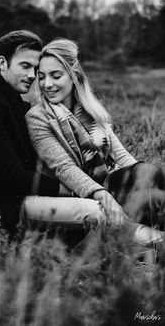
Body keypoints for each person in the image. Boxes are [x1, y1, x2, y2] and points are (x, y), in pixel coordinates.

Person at [0, 30, 107, 238]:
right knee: (94, 211)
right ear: (2, 63)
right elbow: (14, 176)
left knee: (101, 206)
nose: (32, 76)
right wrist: (73, 190)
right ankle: (149, 244)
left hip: (26, 198)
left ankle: (152, 240)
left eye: (35, 69)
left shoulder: (17, 103)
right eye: (25, 66)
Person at [26, 38, 165, 244]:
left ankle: (139, 236)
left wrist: (141, 179)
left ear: (73, 75)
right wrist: (101, 194)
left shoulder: (89, 109)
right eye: (42, 77)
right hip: (82, 191)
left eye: (56, 76)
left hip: (113, 182)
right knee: (152, 198)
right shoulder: (38, 117)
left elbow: (121, 155)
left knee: (152, 182)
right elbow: (62, 167)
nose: (47, 84)